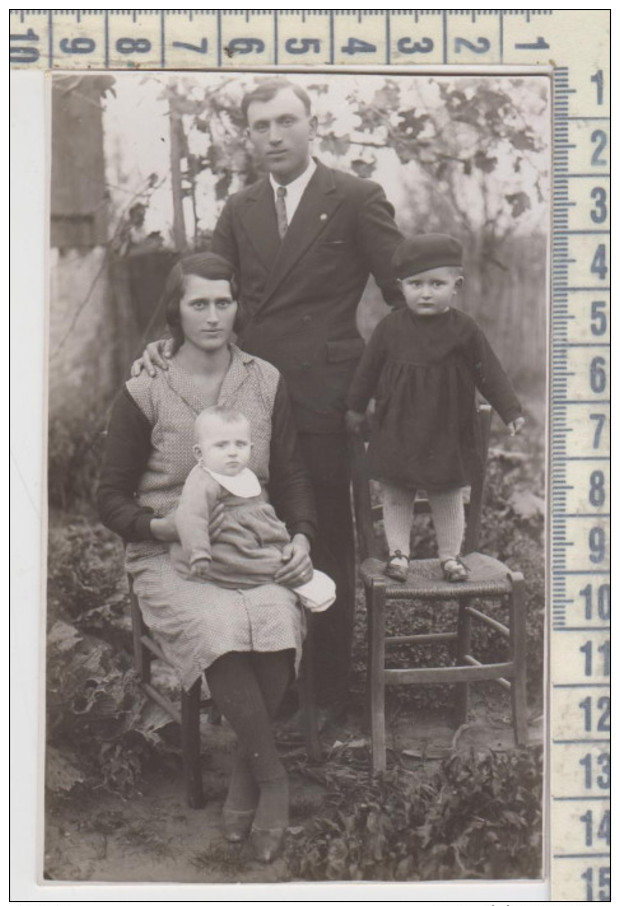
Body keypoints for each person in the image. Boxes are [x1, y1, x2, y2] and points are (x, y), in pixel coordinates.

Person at [135, 78, 405, 716]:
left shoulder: (357, 197)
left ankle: (327, 692)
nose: (275, 136)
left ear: (314, 126)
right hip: (245, 395)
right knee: (248, 529)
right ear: (249, 137)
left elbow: (403, 296)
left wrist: (399, 375)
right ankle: (267, 684)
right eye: (261, 126)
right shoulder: (241, 208)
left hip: (323, 393)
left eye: (287, 121)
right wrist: (161, 342)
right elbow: (204, 285)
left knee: (323, 535)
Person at [98, 252, 318, 863]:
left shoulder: (265, 381)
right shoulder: (146, 389)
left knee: (276, 615)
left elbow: (294, 473)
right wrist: (164, 525)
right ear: (177, 310)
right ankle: (272, 779)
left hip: (255, 540)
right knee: (220, 626)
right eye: (199, 303)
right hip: (170, 553)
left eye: (224, 301)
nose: (214, 315)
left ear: (237, 305)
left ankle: (247, 773)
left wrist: (300, 536)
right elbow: (109, 498)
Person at [345, 234, 525, 583]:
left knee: (447, 492)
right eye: (415, 284)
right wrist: (355, 408)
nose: (425, 292)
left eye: (436, 284)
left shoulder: (465, 330)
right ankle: (398, 554)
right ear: (400, 287)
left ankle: (451, 556)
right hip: (398, 427)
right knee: (396, 490)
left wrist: (511, 410)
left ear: (456, 285)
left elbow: (490, 372)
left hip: (447, 429)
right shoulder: (390, 328)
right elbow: (367, 370)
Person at [172, 404, 335, 611]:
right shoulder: (203, 480)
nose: (232, 453)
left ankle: (284, 567)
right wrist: (199, 553)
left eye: (240, 445)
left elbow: (259, 514)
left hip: (247, 541)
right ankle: (285, 576)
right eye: (221, 446)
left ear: (251, 448)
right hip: (220, 547)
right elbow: (190, 518)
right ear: (199, 452)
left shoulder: (244, 475)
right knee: (249, 561)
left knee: (272, 552)